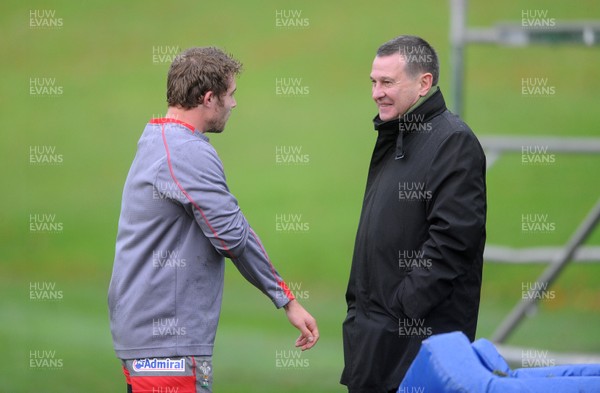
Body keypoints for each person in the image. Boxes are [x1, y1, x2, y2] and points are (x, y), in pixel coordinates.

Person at [108, 47, 319, 393]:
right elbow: (233, 237)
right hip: (168, 343)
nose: (234, 104)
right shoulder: (186, 151)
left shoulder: (156, 137)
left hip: (148, 338)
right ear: (209, 98)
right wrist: (286, 299)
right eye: (231, 94)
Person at [341, 35, 486, 393]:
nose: (376, 92)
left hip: (415, 351)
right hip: (375, 344)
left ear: (424, 83)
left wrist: (401, 307)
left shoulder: (452, 141)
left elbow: (453, 241)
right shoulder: (396, 138)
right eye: (374, 82)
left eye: (388, 82)